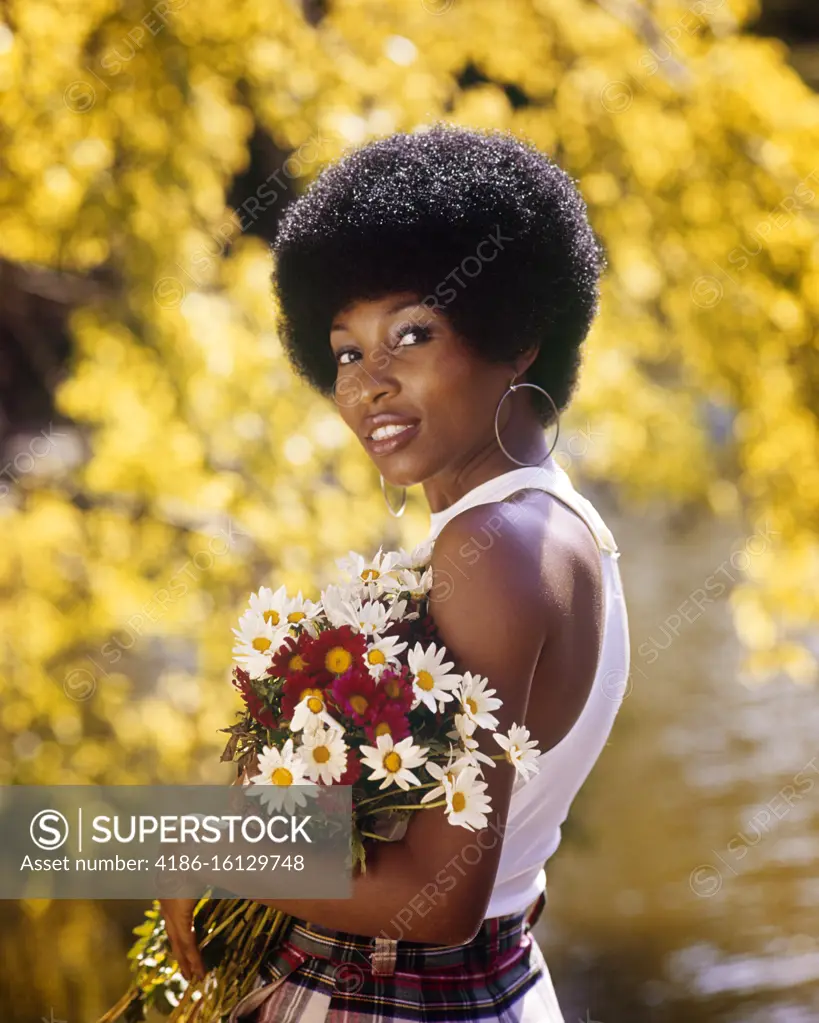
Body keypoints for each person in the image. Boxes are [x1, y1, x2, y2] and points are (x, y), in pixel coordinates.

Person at [164, 123, 630, 1022]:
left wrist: (202, 848)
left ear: (518, 330)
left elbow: (439, 896)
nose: (368, 383)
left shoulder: (495, 551)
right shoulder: (547, 522)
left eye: (410, 334)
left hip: (392, 996)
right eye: (345, 350)